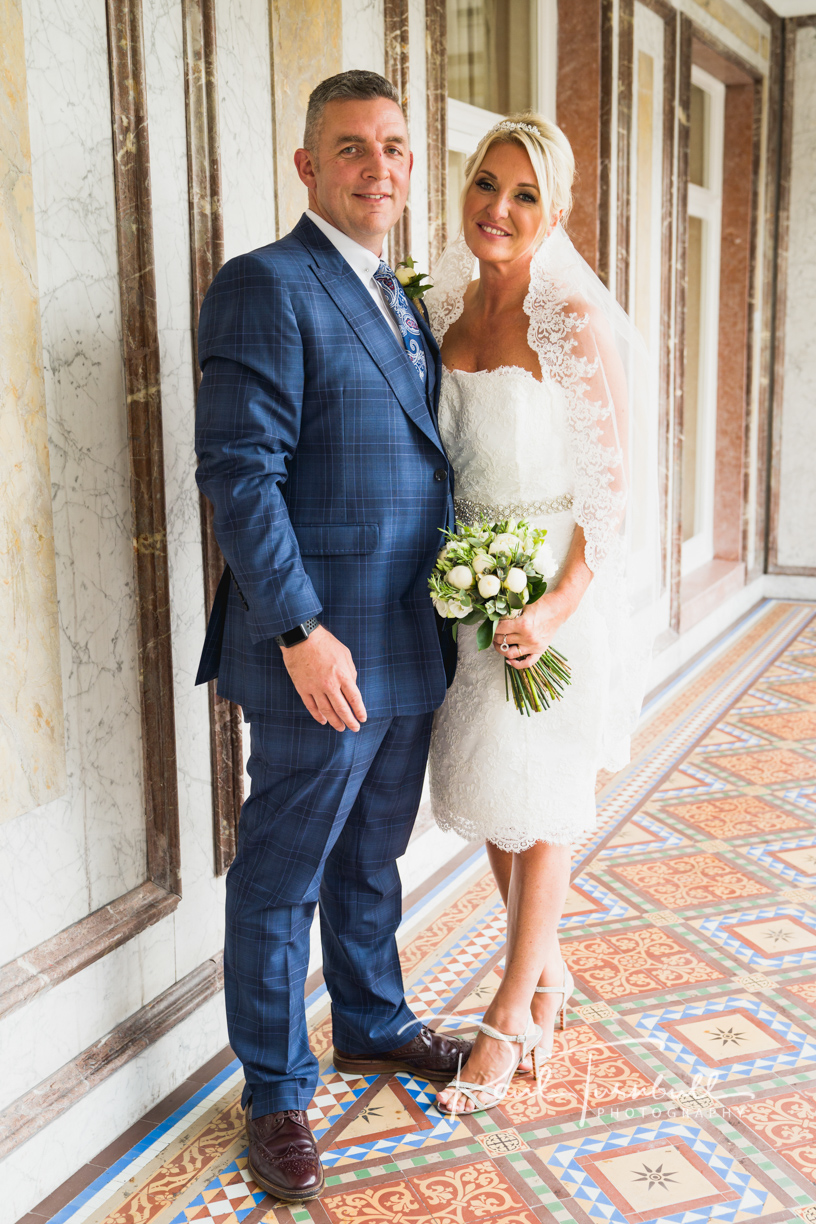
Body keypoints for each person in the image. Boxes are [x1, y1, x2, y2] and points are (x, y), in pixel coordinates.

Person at [194, 70, 470, 1201]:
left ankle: (371, 1019)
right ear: (307, 166)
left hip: (405, 638)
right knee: (282, 873)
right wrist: (300, 628)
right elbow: (240, 474)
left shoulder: (403, 296)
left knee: (373, 856)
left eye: (396, 147)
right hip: (318, 647)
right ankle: (274, 1090)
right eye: (352, 148)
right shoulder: (268, 284)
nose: (379, 167)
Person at [425, 114, 657, 1115]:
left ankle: (509, 1008)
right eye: (487, 184)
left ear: (553, 212)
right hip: (465, 588)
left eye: (525, 194)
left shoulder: (575, 322)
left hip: (549, 591)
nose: (500, 209)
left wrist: (556, 611)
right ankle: (549, 971)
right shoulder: (440, 311)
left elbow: (615, 492)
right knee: (496, 797)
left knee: (548, 802)